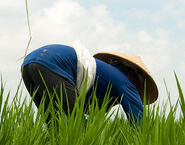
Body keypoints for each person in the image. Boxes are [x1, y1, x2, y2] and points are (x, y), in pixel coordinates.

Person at [21, 43, 158, 125]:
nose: (136, 90)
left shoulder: (104, 79)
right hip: (53, 65)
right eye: (139, 87)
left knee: (56, 127)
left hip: (29, 64)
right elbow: (139, 123)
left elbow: (91, 114)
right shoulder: (126, 83)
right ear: (133, 76)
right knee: (77, 129)